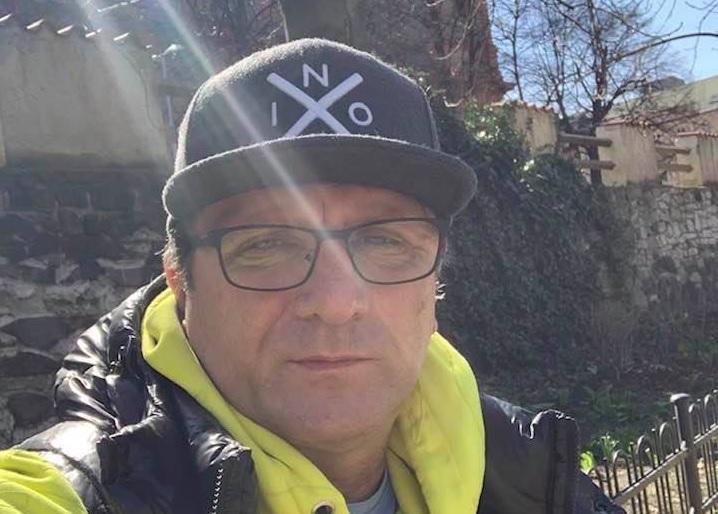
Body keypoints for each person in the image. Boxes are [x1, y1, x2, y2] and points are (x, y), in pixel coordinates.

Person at [0, 38, 623, 514]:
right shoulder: (73, 493)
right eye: (266, 245)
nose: (336, 301)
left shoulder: (533, 474)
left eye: (386, 240)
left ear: (433, 284)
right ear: (181, 284)